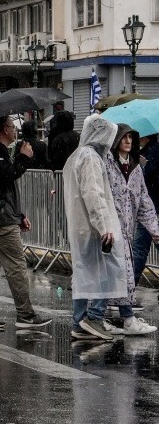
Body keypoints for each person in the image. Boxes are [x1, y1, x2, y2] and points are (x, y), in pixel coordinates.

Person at [0, 117, 51, 330]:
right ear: (4, 129)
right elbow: (8, 177)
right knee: (16, 266)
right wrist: (24, 158)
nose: (15, 130)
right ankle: (25, 314)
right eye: (12, 127)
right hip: (1, 220)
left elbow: (1, 188)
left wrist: (19, 214)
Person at [63, 115, 130, 342]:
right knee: (106, 270)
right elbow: (94, 194)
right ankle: (94, 316)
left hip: (82, 226)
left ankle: (79, 321)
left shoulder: (78, 156)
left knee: (84, 274)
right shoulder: (91, 158)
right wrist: (104, 226)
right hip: (94, 227)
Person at [102, 124, 159, 335]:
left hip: (125, 230)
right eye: (123, 137)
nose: (128, 141)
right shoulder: (107, 165)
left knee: (121, 273)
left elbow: (143, 199)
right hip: (108, 229)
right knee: (111, 274)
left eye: (130, 137)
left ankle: (123, 318)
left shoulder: (135, 168)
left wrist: (154, 228)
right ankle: (103, 317)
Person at [132, 134, 159, 290]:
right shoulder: (151, 151)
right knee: (140, 248)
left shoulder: (151, 153)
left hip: (151, 208)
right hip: (151, 208)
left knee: (139, 249)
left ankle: (128, 289)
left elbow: (146, 178)